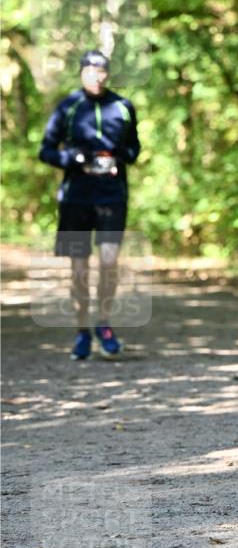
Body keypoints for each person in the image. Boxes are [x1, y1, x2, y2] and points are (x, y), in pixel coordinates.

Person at [38, 50, 140, 360]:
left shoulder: (122, 107)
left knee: (109, 263)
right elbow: (45, 150)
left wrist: (119, 154)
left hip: (112, 197)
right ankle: (82, 331)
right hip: (76, 198)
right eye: (90, 70)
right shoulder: (68, 107)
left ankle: (104, 324)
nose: (97, 76)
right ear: (82, 73)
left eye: (102, 71)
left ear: (108, 74)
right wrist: (71, 158)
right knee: (79, 269)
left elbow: (135, 147)